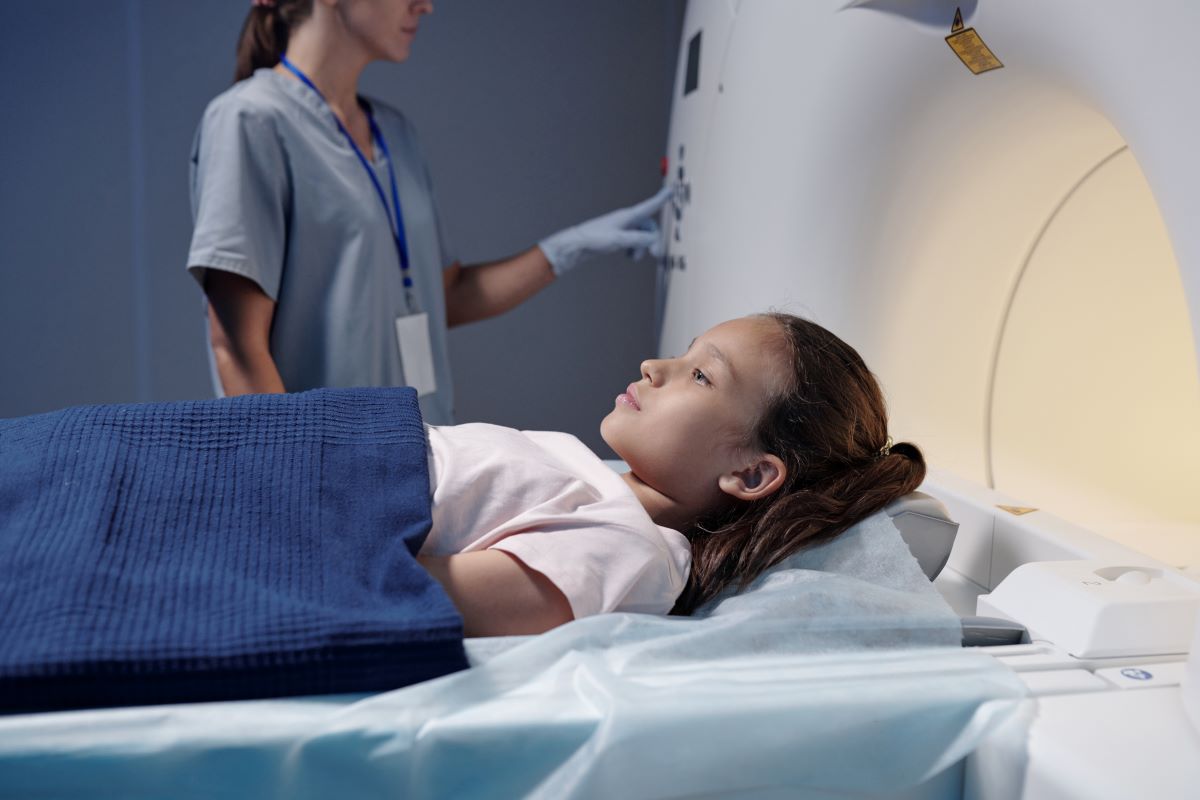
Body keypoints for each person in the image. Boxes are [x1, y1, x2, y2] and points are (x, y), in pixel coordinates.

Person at [187, 0, 671, 424]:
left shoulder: (394, 133)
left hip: (423, 454)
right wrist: (296, 484)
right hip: (325, 470)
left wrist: (567, 249)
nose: (426, 5)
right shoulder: (250, 120)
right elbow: (236, 344)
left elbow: (446, 295)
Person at [417, 312, 927, 634]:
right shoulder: (593, 482)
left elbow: (388, 593)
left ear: (750, 473)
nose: (652, 366)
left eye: (701, 375)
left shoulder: (629, 551)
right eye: (684, 355)